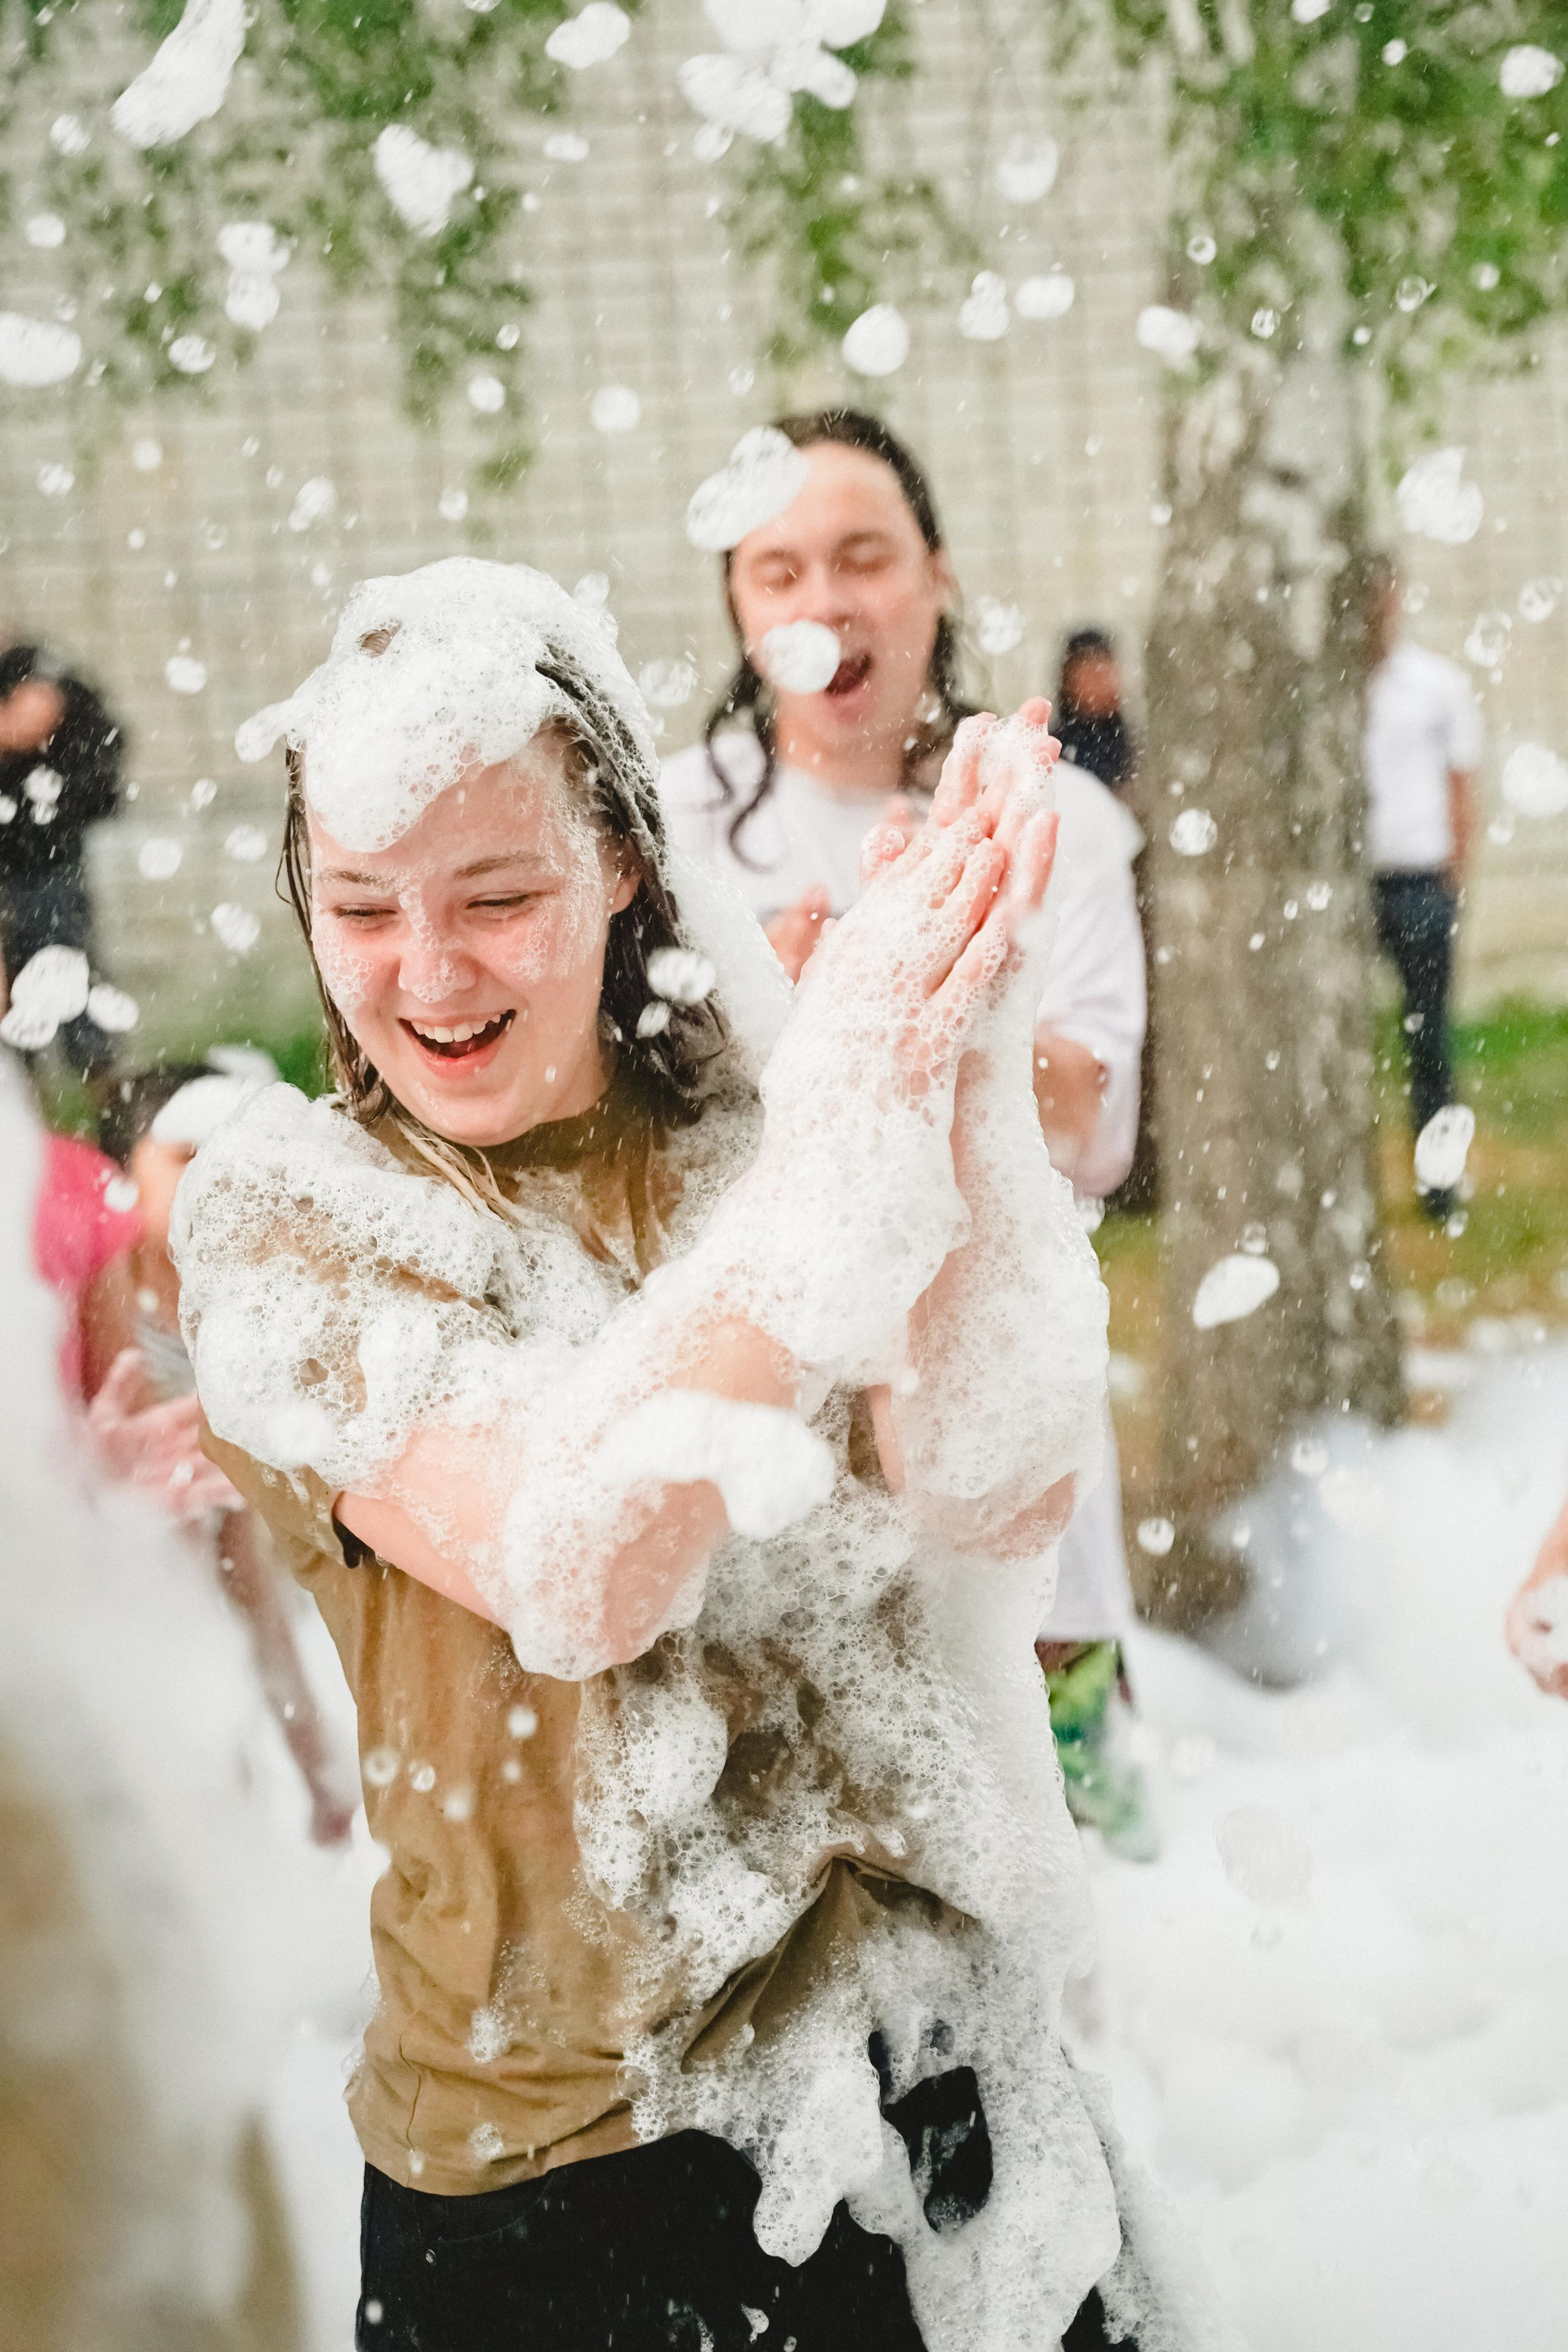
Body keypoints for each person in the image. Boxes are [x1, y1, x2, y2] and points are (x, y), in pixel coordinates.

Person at [168, 556, 1209, 2351]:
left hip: (926, 2089)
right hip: (558, 2164)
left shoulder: (754, 1138)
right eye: (359, 907)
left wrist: (948, 1072)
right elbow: (577, 1561)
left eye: (497, 895)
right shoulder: (287, 1215)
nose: (427, 970)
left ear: (623, 862)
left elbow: (984, 1500)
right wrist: (848, 1138)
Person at [662, 411, 1155, 1858]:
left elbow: (1083, 1118)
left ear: (933, 577)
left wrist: (911, 1007)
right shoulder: (667, 827)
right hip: (762, 1463)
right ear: (741, 611)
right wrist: (778, 1008)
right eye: (777, 569)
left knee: (1074, 1897)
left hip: (1010, 1441)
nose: (825, 599)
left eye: (864, 555)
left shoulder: (1049, 814)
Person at [98, 1055, 356, 1845]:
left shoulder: (248, 1320)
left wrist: (317, 1768)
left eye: (227, 1157)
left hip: (203, 1654)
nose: (212, 1183)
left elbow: (247, 1579)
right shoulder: (100, 1317)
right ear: (119, 1176)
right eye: (184, 1158)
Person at [1364, 559, 1482, 1222]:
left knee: (1428, 1038)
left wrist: (1454, 876)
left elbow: (1460, 783)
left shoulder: (1434, 686)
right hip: (1351, 887)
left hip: (1418, 880)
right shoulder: (1329, 692)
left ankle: (1438, 1184)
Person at [0, 640, 124, 1079]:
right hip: (35, 855)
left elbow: (97, 749)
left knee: (72, 984)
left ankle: (109, 1120)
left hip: (40, 861)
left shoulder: (39, 670)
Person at [1053, 628, 1136, 796]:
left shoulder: (1128, 745)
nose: (1102, 683)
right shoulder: (1054, 746)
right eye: (1091, 674)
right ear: (1069, 680)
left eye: (1106, 673)